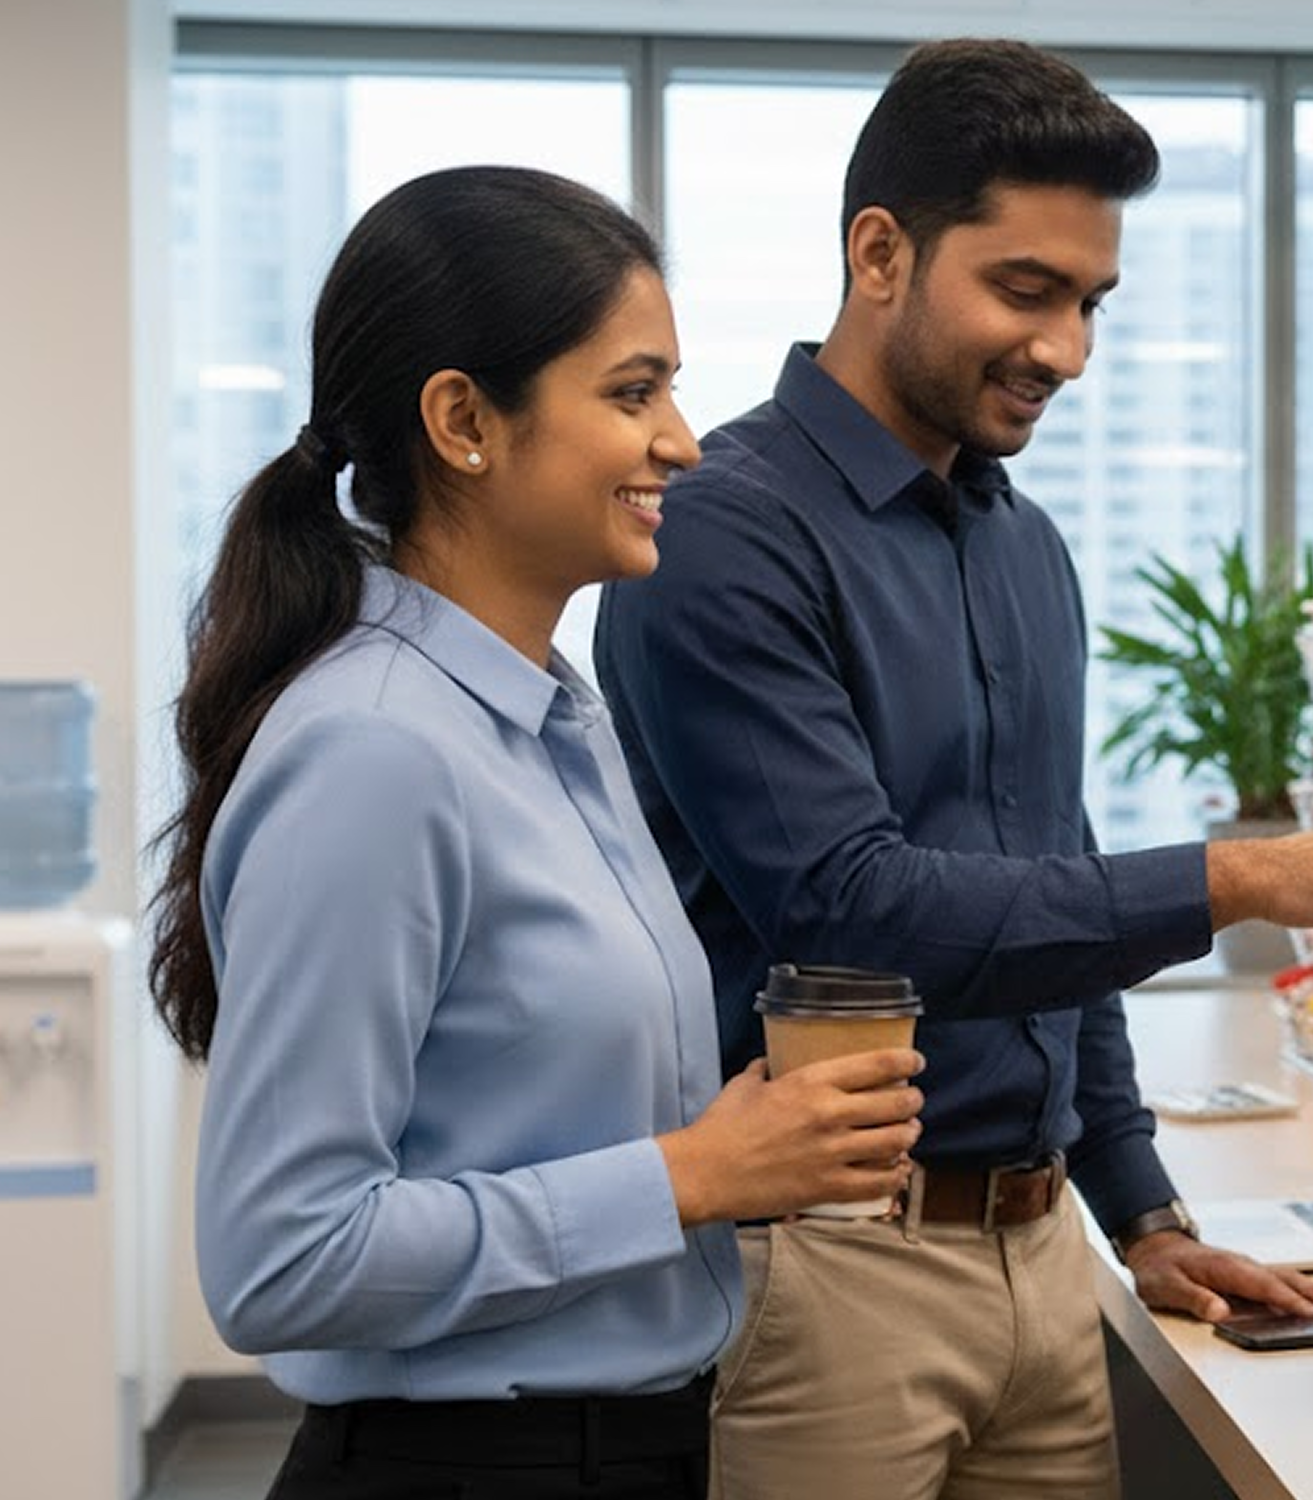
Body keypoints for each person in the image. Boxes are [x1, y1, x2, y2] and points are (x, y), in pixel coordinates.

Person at [593, 39, 1313, 1500]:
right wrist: (1244, 877)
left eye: (1090, 304)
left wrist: (1143, 1212)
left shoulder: (1022, 543)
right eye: (1025, 292)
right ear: (881, 251)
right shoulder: (725, 527)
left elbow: (1051, 893)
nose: (1067, 351)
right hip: (826, 1271)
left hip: (1045, 1260)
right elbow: (853, 913)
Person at [147, 165, 927, 1500]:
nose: (684, 440)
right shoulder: (376, 750)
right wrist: (685, 1175)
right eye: (633, 393)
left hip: (628, 1445)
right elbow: (280, 1259)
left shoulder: (555, 712)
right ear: (463, 421)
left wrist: (743, 1158)